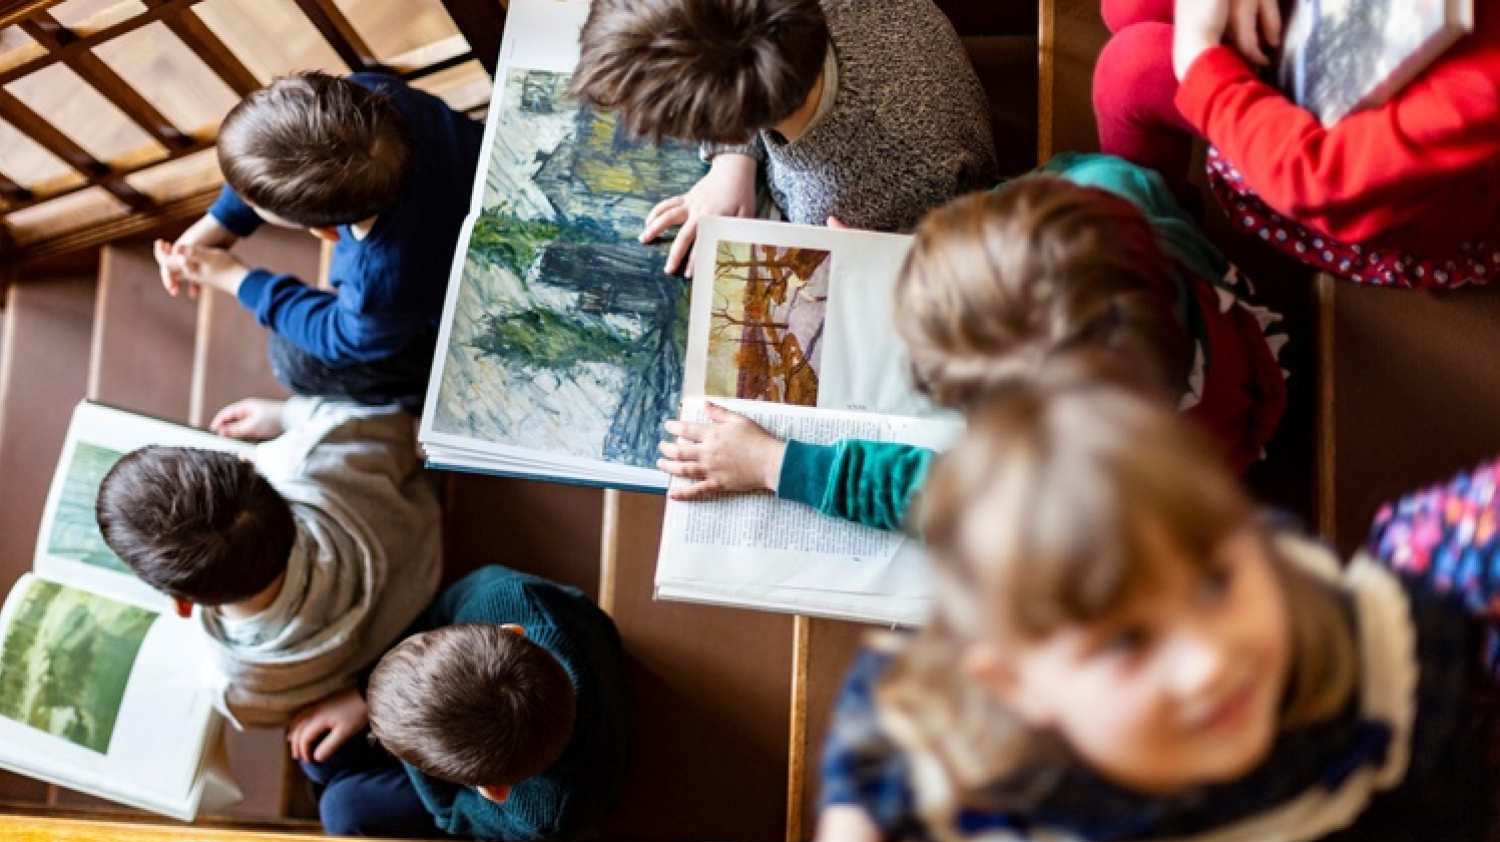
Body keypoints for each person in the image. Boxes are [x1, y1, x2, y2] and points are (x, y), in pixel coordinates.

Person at [814, 370, 1499, 842]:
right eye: (1126, 642)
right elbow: (883, 710)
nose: (1209, 661)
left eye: (1214, 584)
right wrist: (847, 834)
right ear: (1015, 686)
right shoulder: (982, 754)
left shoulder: (1390, 650)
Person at [658, 157, 1288, 532]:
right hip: (1227, 345)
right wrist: (892, 254)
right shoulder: (1106, 190)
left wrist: (771, 465)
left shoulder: (1078, 481)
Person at [571, 0, 1000, 274]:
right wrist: (731, 162)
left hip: (927, 240)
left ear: (735, 126)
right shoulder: (794, 24)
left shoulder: (844, 195)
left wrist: (865, 269)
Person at [1093, 0, 1500, 289]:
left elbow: (1320, 178)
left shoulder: (1484, 87)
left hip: (1363, 186)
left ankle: (1156, 241)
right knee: (1127, 6)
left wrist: (1200, 58)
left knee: (1131, 70)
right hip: (1325, 48)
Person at [94, 396, 442, 727]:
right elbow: (390, 425)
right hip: (427, 544)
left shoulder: (237, 685)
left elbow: (274, 718)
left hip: (403, 655)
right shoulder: (313, 456)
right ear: (250, 464)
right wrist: (285, 414)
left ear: (183, 604)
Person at [155, 72, 484, 404]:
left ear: (326, 232)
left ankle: (426, 393)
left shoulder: (376, 284)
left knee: (293, 360)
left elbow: (341, 337)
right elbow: (276, 151)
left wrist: (234, 277)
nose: (239, 201)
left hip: (459, 300)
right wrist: (221, 221)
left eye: (249, 202)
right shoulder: (367, 95)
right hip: (483, 176)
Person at [283, 565, 629, 842]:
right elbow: (443, 611)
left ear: (494, 792)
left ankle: (354, 773)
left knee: (341, 809)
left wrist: (408, 751)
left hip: (569, 771)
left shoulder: (540, 816)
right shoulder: (507, 598)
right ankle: (356, 763)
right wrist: (363, 696)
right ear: (511, 631)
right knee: (319, 759)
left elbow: (450, 814)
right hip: (517, 740)